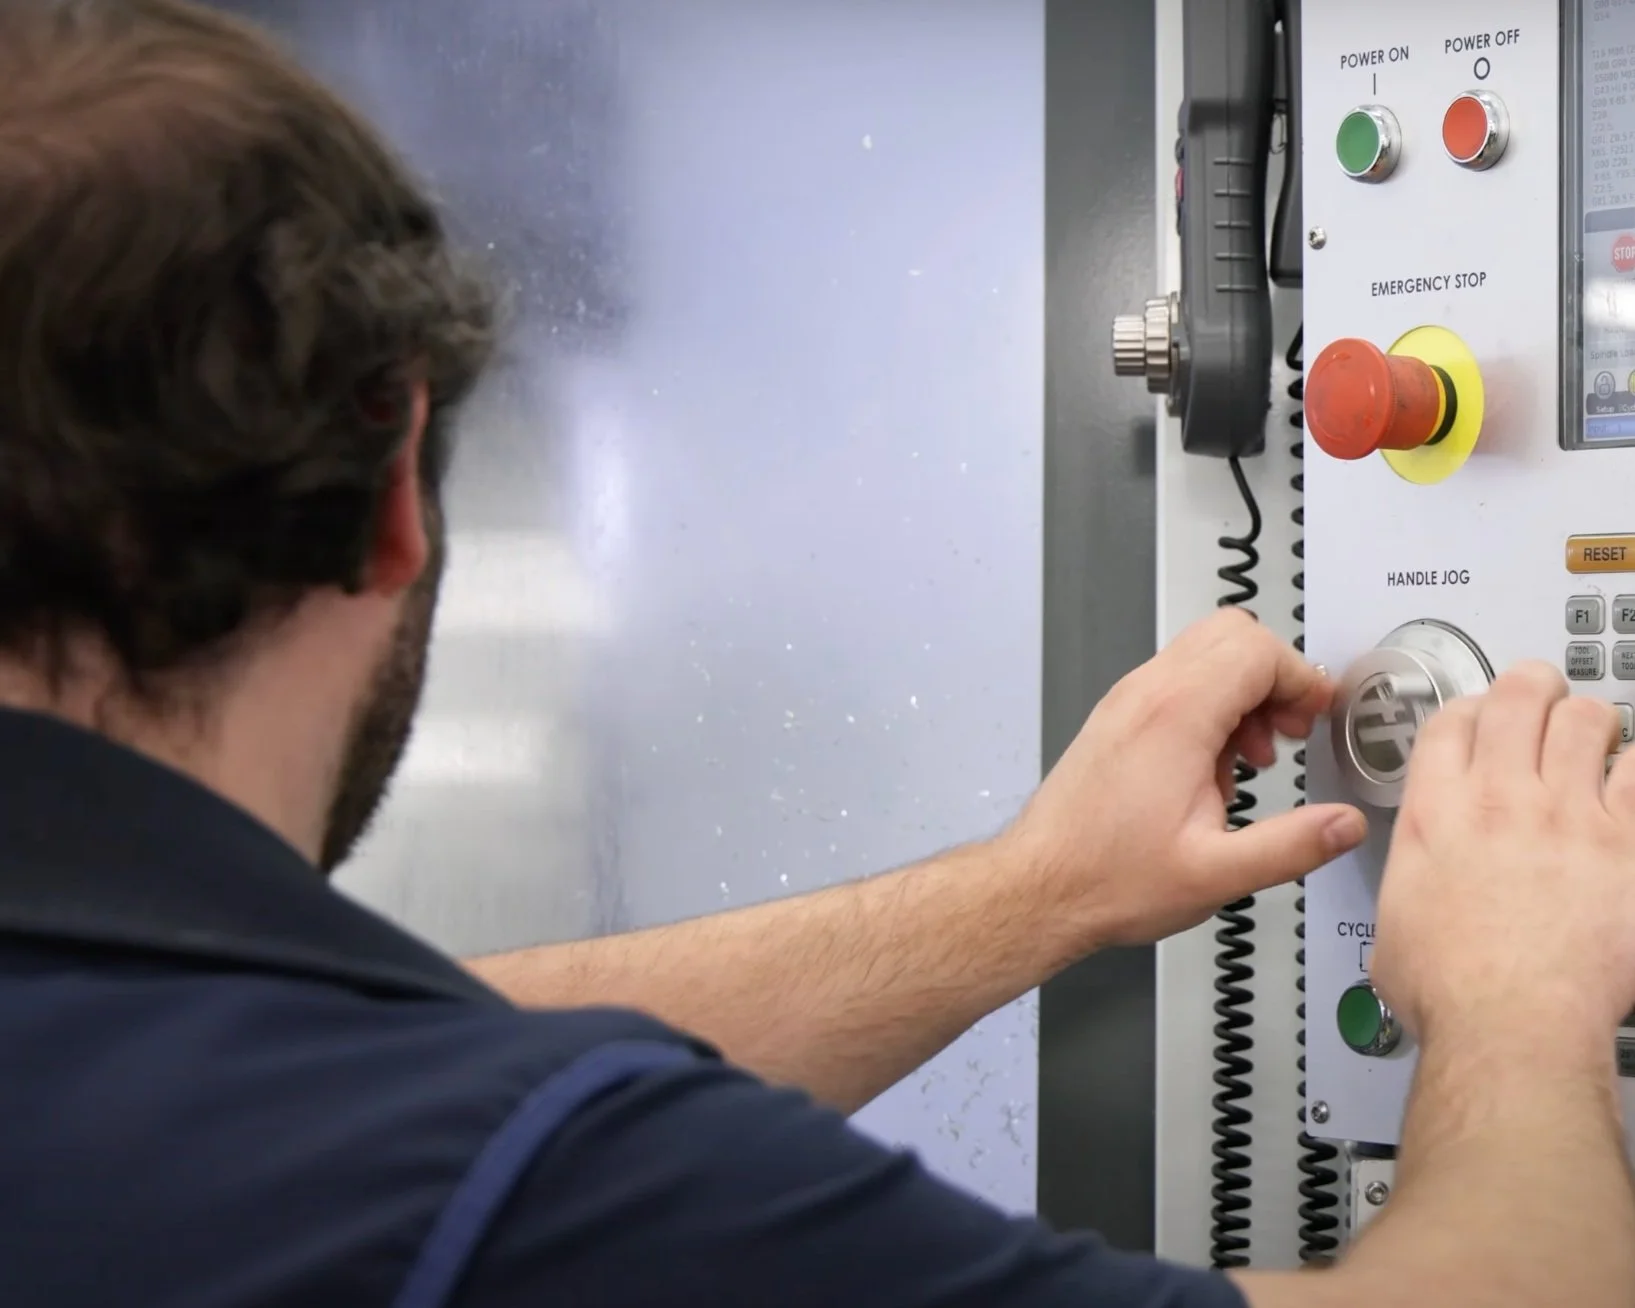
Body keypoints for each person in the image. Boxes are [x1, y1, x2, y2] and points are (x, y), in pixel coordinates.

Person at [1, 2, 1632, 1305]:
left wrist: (1036, 890)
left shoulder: (158, 1059)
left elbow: (404, 1046)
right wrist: (1512, 1006)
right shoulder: (503, 1198)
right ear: (391, 497)